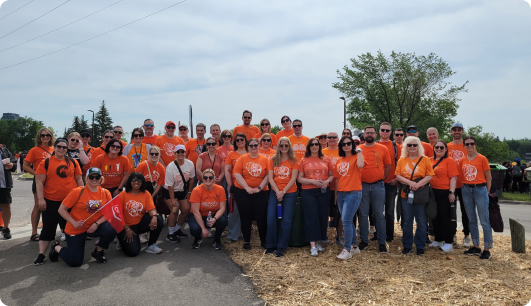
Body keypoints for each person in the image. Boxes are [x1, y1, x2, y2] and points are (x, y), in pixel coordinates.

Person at [49, 168, 116, 266]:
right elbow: (61, 209)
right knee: (75, 262)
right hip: (76, 228)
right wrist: (73, 222)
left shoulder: (106, 193)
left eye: (97, 177)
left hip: (93, 227)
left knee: (112, 227)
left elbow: (109, 213)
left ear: (101, 179)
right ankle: (56, 247)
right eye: (91, 177)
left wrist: (96, 224)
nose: (94, 179)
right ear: (86, 179)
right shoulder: (78, 191)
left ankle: (98, 251)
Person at [33, 138, 83, 265]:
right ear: (54, 147)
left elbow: (79, 180)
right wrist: (41, 199)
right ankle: (41, 254)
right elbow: (39, 182)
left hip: (69, 202)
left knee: (70, 229)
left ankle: (66, 250)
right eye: (59, 146)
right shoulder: (46, 162)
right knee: (48, 229)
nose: (61, 149)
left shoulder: (73, 162)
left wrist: (80, 197)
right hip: (51, 201)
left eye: (64, 147)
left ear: (67, 149)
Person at [395, 136, 434, 255]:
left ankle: (420, 245)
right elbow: (398, 175)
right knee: (407, 221)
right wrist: (411, 183)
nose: (412, 147)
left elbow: (430, 175)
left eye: (414, 145)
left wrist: (418, 184)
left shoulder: (425, 159)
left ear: (418, 146)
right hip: (406, 194)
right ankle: (407, 245)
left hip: (420, 194)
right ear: (406, 147)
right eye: (409, 145)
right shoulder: (402, 160)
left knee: (421, 221)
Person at [357, 126, 392, 253]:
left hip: (378, 185)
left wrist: (381, 178)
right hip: (362, 185)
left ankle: (382, 242)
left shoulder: (383, 149)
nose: (369, 134)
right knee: (363, 214)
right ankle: (364, 240)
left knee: (379, 214)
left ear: (376, 134)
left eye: (372, 132)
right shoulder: (358, 149)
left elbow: (388, 166)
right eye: (367, 133)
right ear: (364, 135)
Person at [297, 138, 334, 257]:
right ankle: (312, 246)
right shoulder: (304, 160)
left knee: (323, 216)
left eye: (316, 144)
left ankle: (318, 241)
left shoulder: (326, 158)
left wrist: (327, 181)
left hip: (323, 190)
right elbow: (300, 178)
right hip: (308, 191)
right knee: (311, 216)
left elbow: (331, 175)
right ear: (309, 147)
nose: (314, 146)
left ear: (319, 146)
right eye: (312, 144)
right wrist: (312, 181)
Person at [232, 138, 270, 250]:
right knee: (245, 216)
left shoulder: (265, 159)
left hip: (261, 192)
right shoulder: (242, 158)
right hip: (242, 191)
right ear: (248, 147)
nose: (253, 147)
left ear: (259, 146)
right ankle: (247, 241)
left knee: (261, 217)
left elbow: (268, 175)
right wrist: (247, 187)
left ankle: (263, 241)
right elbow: (237, 174)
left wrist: (259, 188)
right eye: (251, 145)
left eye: (255, 145)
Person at [460, 136, 493, 260]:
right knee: (471, 219)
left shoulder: (482, 158)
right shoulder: (463, 159)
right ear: (464, 145)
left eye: (471, 143)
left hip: (480, 189)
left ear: (475, 144)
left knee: (484, 220)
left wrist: (487, 192)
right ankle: (476, 246)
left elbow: (488, 177)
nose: (469, 146)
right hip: (466, 189)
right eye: (467, 144)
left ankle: (487, 248)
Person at [265, 137, 299, 257]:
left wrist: (283, 192)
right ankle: (270, 245)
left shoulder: (293, 159)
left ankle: (281, 246)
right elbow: (270, 178)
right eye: (281, 146)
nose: (284, 148)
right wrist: (278, 191)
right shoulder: (273, 160)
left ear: (289, 146)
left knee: (286, 220)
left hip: (290, 193)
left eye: (286, 146)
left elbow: (293, 178)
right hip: (275, 192)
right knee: (271, 218)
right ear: (278, 146)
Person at [117, 173, 164, 256]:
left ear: (142, 182)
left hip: (139, 223)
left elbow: (151, 209)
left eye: (139, 180)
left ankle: (151, 245)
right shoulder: (123, 195)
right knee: (133, 252)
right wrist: (127, 229)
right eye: (134, 180)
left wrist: (154, 216)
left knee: (159, 219)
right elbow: (117, 216)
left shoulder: (146, 194)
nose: (136, 182)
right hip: (125, 226)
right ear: (130, 181)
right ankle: (121, 241)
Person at [334, 135, 365, 260]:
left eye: (348, 143)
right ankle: (354, 246)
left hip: (353, 192)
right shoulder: (339, 160)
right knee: (348, 220)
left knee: (346, 220)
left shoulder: (357, 156)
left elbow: (361, 165)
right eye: (343, 144)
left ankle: (347, 249)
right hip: (341, 193)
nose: (346, 145)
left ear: (352, 144)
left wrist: (359, 151)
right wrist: (336, 194)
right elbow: (337, 178)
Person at [24, 127, 55, 241]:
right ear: (39, 137)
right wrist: (37, 174)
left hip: (52, 182)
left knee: (49, 207)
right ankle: (34, 232)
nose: (45, 137)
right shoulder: (34, 150)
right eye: (43, 135)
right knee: (38, 206)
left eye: (48, 135)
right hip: (39, 181)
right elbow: (25, 165)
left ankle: (46, 231)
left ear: (51, 136)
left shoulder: (54, 149)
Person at [428, 140, 458, 252]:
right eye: (437, 147)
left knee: (446, 218)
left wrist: (452, 192)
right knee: (435, 217)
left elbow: (453, 177)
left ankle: (449, 242)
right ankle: (438, 239)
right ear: (434, 148)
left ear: (446, 149)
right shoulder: (429, 160)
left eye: (441, 147)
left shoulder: (449, 161)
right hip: (432, 192)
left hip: (445, 192)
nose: (439, 149)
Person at [188, 169, 228, 250]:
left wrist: (215, 219)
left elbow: (222, 207)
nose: (208, 179)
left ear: (214, 179)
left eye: (210, 177)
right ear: (202, 179)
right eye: (205, 177)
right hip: (199, 215)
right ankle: (197, 239)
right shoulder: (196, 190)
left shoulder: (220, 189)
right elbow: (195, 211)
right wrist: (203, 228)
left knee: (224, 220)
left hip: (213, 215)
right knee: (194, 229)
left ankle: (217, 240)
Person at [446, 122, 471, 247]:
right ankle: (452, 233)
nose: (456, 132)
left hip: (464, 183)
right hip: (451, 184)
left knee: (465, 210)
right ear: (451, 132)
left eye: (459, 130)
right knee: (451, 211)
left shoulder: (467, 145)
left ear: (462, 131)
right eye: (454, 130)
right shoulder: (447, 146)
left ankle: (466, 235)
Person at [163, 144, 195, 242]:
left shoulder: (190, 164)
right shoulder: (170, 167)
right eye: (178, 152)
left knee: (186, 209)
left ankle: (177, 229)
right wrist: (172, 199)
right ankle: (170, 233)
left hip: (182, 190)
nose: (180, 154)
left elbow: (192, 179)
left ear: (185, 153)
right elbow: (170, 185)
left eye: (182, 152)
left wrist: (189, 192)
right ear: (175, 153)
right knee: (175, 209)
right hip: (170, 191)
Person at [224, 133, 248, 243]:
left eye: (242, 139)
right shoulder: (231, 154)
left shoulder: (250, 153)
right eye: (237, 140)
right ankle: (232, 235)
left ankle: (245, 234)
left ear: (245, 140)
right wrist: (230, 185)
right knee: (234, 211)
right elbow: (228, 170)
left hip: (249, 187)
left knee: (247, 211)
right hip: (236, 186)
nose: (240, 141)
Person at [377, 122, 399, 242]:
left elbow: (401, 163)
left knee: (389, 211)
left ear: (391, 132)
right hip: (377, 183)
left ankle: (389, 235)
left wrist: (397, 179)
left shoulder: (395, 146)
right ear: (379, 131)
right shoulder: (375, 145)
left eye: (387, 130)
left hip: (391, 183)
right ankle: (378, 233)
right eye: (382, 130)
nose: (384, 132)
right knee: (377, 211)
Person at [322, 132, 342, 245]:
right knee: (325, 212)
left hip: (340, 186)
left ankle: (339, 236)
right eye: (329, 137)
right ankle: (323, 235)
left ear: (338, 139)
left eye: (334, 137)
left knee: (340, 213)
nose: (332, 139)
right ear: (326, 139)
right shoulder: (322, 152)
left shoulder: (342, 151)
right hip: (326, 186)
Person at [0, 142, 16, 239]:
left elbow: (14, 162)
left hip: (4, 184)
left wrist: (12, 165)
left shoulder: (4, 149)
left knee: (6, 206)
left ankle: (6, 228)